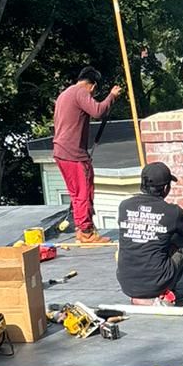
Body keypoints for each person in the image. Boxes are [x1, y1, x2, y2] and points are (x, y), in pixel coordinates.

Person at [52, 67, 122, 244]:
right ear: (92, 86)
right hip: (73, 152)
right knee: (84, 192)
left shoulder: (65, 94)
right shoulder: (80, 92)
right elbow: (98, 111)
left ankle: (81, 229)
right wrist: (112, 96)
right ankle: (86, 232)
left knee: (76, 193)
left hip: (61, 151)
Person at [116, 162, 183, 304]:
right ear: (166, 188)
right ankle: (170, 289)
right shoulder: (172, 212)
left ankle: (144, 293)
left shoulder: (124, 206)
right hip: (156, 283)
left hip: (127, 284)